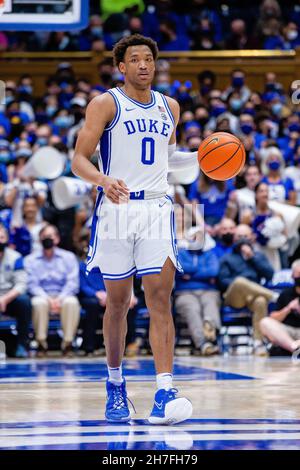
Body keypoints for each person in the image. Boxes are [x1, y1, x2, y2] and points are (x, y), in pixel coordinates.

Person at [72, 34, 196, 424]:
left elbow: (169, 159)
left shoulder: (170, 107)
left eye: (149, 59)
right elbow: (78, 159)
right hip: (117, 208)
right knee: (119, 303)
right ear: (121, 67)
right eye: (135, 60)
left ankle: (164, 390)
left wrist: (205, 159)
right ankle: (115, 384)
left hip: (157, 206)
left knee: (161, 299)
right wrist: (103, 179)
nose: (144, 65)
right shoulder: (106, 103)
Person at [218, 224, 275, 355]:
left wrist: (252, 257)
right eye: (239, 236)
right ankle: (272, 296)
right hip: (234, 296)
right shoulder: (227, 258)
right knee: (240, 281)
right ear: (234, 239)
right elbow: (222, 281)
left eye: (245, 236)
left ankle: (258, 343)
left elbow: (270, 274)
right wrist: (241, 285)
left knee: (261, 300)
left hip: (253, 296)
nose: (242, 239)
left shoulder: (258, 256)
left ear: (252, 238)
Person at [24, 224, 80, 357]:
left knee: (71, 302)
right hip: (42, 295)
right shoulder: (30, 260)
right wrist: (49, 299)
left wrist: (59, 299)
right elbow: (32, 285)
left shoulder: (69, 257)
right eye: (44, 236)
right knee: (38, 303)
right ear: (39, 240)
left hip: (63, 295)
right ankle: (41, 344)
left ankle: (67, 344)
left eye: (50, 236)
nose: (47, 239)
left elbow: (73, 283)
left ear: (57, 239)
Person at [0, 223, 31, 358]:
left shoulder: (16, 257)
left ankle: (22, 345)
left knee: (24, 301)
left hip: (9, 297)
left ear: (7, 239)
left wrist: (5, 299)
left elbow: (21, 284)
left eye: (1, 237)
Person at [260, 260, 300, 357]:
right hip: (287, 333)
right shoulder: (286, 293)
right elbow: (273, 318)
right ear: (293, 275)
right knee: (265, 322)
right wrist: (288, 308)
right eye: (298, 273)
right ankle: (295, 349)